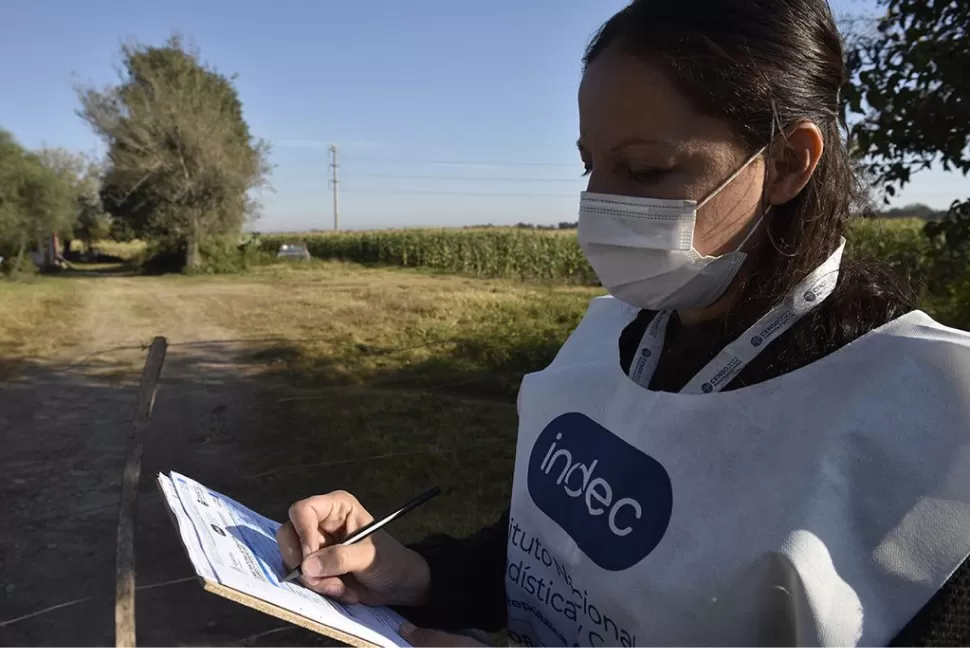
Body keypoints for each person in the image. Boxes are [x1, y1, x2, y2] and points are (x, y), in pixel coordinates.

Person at [277, 0, 970, 645]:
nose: (598, 207)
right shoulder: (615, 339)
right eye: (591, 167)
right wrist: (419, 575)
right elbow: (549, 562)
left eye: (644, 170)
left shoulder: (933, 430)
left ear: (787, 163)